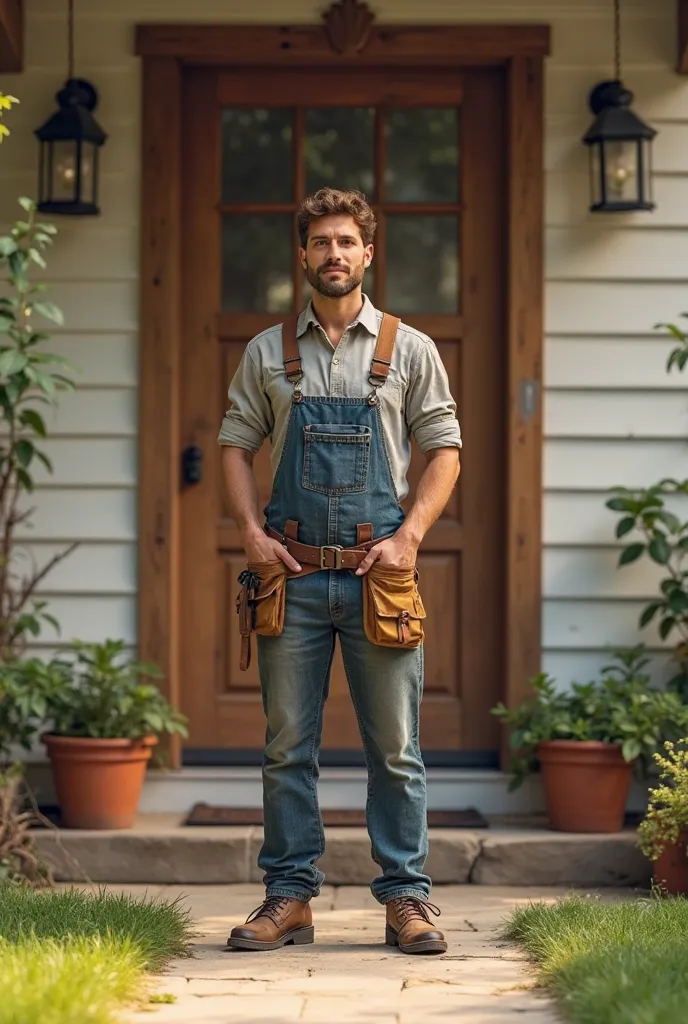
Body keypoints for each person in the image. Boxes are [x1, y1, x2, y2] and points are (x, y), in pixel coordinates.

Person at [218, 187, 461, 955]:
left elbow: (445, 450)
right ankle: (288, 897)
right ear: (303, 253)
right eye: (320, 241)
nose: (333, 254)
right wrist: (251, 533)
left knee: (395, 747)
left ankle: (407, 900)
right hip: (290, 576)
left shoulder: (408, 347)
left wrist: (411, 538)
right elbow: (233, 443)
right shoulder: (266, 352)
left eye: (346, 242)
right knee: (288, 747)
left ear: (368, 252)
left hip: (378, 577)